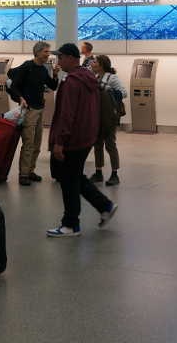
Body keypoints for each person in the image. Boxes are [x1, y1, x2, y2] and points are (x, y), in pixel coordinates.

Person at [46, 43, 117, 238]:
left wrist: (59, 142)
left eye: (60, 57)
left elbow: (66, 115)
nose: (58, 61)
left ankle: (70, 224)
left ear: (71, 58)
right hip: (86, 137)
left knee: (68, 181)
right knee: (75, 176)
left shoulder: (71, 82)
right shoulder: (89, 78)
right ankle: (105, 206)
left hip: (72, 140)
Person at [7, 41, 60, 187]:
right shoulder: (27, 66)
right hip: (29, 110)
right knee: (28, 143)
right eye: (45, 52)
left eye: (48, 52)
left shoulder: (43, 69)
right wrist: (21, 98)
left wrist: (55, 75)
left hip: (40, 109)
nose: (48, 54)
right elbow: (14, 86)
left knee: (37, 143)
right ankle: (23, 174)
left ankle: (30, 170)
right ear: (37, 52)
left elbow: (52, 86)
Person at [90, 54, 126, 186]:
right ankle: (98, 172)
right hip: (97, 116)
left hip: (109, 117)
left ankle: (114, 174)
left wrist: (109, 91)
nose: (92, 64)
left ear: (101, 65)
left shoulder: (112, 78)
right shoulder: (95, 77)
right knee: (97, 144)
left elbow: (124, 92)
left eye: (95, 62)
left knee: (110, 144)